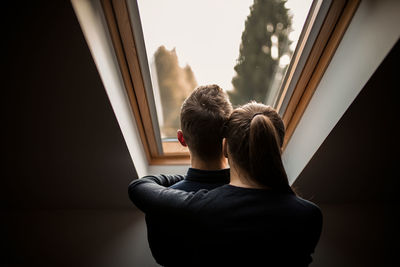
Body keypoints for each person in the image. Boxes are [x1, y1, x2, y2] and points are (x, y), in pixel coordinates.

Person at [129, 102, 322, 266]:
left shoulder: (202, 209)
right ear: (277, 149)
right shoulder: (310, 216)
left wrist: (181, 178)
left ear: (225, 147)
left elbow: (138, 188)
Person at [145, 84, 233, 265]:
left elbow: (161, 258)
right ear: (229, 138)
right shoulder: (253, 196)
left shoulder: (158, 201)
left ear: (181, 138)